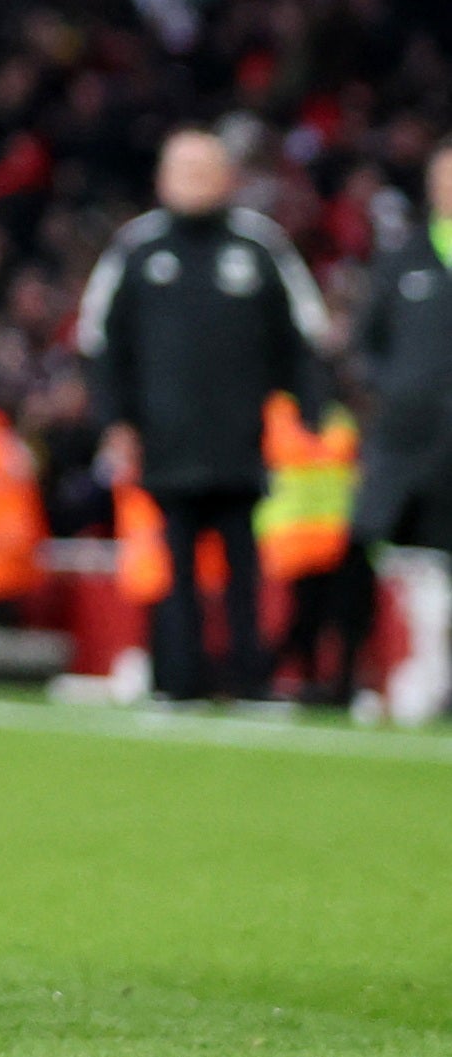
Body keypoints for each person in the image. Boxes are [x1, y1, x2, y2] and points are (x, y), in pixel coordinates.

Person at [78, 127, 331, 706]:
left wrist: (309, 415)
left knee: (246, 569)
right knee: (173, 570)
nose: (193, 181)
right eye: (182, 169)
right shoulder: (137, 248)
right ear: (162, 178)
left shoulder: (260, 246)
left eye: (204, 169)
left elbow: (304, 338)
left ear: (228, 178)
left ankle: (251, 679)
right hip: (164, 443)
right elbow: (99, 342)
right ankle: (178, 679)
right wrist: (114, 423)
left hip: (244, 442)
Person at [355, 157, 452, 725]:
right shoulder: (402, 261)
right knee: (422, 567)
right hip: (416, 446)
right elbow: (369, 345)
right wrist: (400, 394)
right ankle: (425, 675)